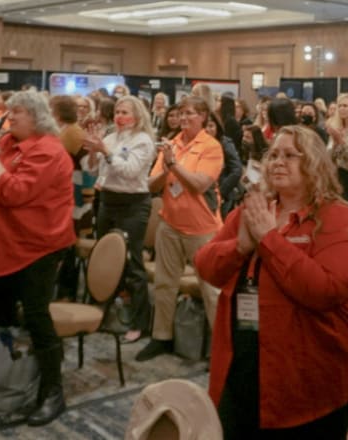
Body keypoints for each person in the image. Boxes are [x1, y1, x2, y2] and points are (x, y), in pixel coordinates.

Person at [196, 126, 348, 438]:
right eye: (273, 155)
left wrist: (268, 238)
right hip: (243, 364)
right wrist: (240, 247)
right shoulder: (255, 208)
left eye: (290, 155)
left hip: (309, 376)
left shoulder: (337, 217)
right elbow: (206, 267)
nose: (277, 162)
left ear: (314, 163)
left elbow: (325, 291)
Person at [0, 90, 75, 426]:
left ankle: (52, 392)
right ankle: (1, 376)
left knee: (36, 316)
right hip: (6, 245)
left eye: (17, 113)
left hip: (37, 246)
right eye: (9, 112)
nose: (9, 118)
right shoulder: (7, 143)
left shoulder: (49, 151)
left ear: (37, 117)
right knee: (1, 310)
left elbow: (14, 192)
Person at [137, 96, 224, 361]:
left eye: (190, 113)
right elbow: (151, 184)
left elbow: (199, 184)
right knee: (164, 284)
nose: (184, 118)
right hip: (169, 224)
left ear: (203, 117)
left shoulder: (211, 147)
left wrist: (173, 164)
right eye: (181, 113)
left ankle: (221, 350)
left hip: (202, 229)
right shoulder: (171, 144)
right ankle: (161, 337)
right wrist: (166, 169)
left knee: (211, 290)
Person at [81, 95, 157, 343]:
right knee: (104, 258)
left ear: (137, 116)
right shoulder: (111, 137)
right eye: (117, 112)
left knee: (132, 263)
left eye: (125, 112)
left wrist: (105, 151)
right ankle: (103, 311)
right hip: (107, 201)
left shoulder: (143, 140)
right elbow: (92, 170)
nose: (119, 117)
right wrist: (94, 154)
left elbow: (129, 171)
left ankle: (140, 322)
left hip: (133, 204)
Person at [205, 112, 244, 218]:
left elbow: (237, 169)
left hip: (223, 195)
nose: (207, 130)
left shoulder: (225, 143)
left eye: (211, 126)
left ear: (217, 127)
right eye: (204, 126)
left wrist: (221, 191)